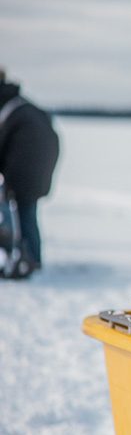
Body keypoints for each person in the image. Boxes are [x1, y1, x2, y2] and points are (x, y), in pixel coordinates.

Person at [0, 70, 60, 279]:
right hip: (37, 169)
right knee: (27, 213)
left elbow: (3, 143)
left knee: (22, 214)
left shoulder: (11, 110)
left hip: (25, 171)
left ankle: (27, 258)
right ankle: (30, 257)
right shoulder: (22, 108)